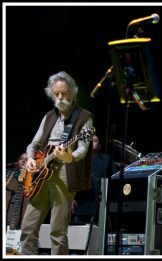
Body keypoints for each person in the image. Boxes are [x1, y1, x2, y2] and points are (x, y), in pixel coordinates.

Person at [20, 71, 94, 255]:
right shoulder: (48, 117)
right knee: (28, 227)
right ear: (51, 95)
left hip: (65, 171)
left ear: (73, 92)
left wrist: (70, 157)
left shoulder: (84, 117)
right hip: (41, 171)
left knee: (57, 231)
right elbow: (34, 144)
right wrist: (30, 159)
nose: (60, 97)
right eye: (56, 94)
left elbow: (82, 150)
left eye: (64, 93)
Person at [71, 133, 118, 225]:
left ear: (100, 145)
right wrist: (70, 199)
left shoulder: (107, 160)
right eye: (90, 140)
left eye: (95, 141)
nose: (92, 142)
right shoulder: (78, 159)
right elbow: (70, 179)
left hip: (100, 206)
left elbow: (114, 180)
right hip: (80, 206)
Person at [6, 152, 28, 226]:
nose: (23, 161)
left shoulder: (31, 175)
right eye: (21, 159)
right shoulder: (10, 173)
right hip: (10, 203)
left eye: (26, 159)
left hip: (22, 206)